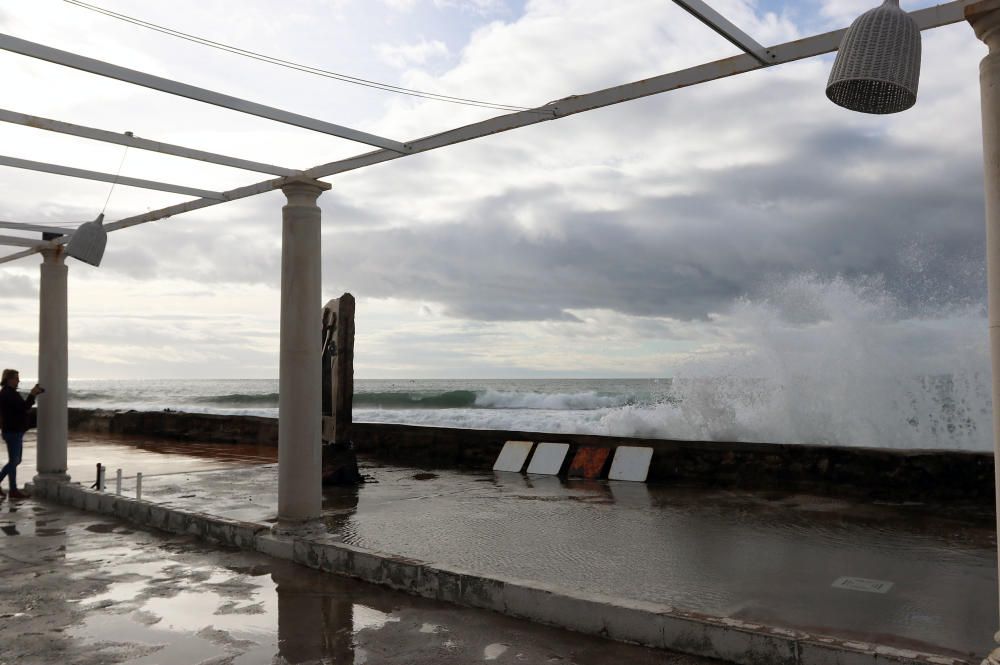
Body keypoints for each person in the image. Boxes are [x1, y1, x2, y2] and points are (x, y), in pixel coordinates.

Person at [0, 369, 43, 500]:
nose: (18, 381)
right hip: (13, 431)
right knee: (15, 461)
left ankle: (13, 490)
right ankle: (13, 490)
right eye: (16, 378)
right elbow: (24, 407)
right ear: (9, 380)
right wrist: (32, 394)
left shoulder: (7, 393)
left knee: (14, 461)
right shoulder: (9, 394)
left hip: (11, 430)